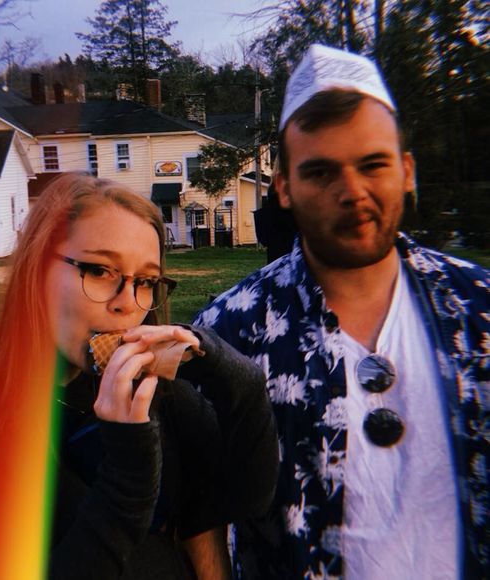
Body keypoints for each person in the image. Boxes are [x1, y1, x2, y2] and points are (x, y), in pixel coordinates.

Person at [194, 44, 488, 579]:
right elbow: (198, 514)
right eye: (321, 172)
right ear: (284, 187)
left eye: (373, 165)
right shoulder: (229, 334)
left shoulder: (479, 309)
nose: (352, 191)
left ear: (407, 171)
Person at [0, 173, 278, 579]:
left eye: (145, 281)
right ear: (36, 269)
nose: (127, 303)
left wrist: (237, 376)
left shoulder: (153, 392)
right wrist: (128, 479)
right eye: (100, 270)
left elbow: (250, 497)